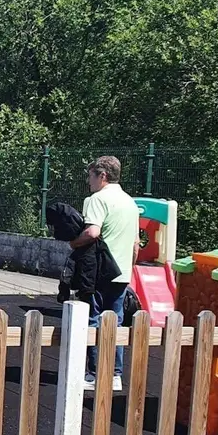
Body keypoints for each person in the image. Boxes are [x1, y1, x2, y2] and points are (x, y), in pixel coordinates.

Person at [69, 156, 139, 392]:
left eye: (90, 176)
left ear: (102, 176)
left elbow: (92, 232)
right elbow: (136, 244)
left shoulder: (96, 199)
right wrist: (129, 267)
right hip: (122, 272)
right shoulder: (130, 202)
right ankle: (115, 374)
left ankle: (95, 373)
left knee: (93, 319)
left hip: (99, 271)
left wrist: (74, 243)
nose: (88, 181)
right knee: (115, 321)